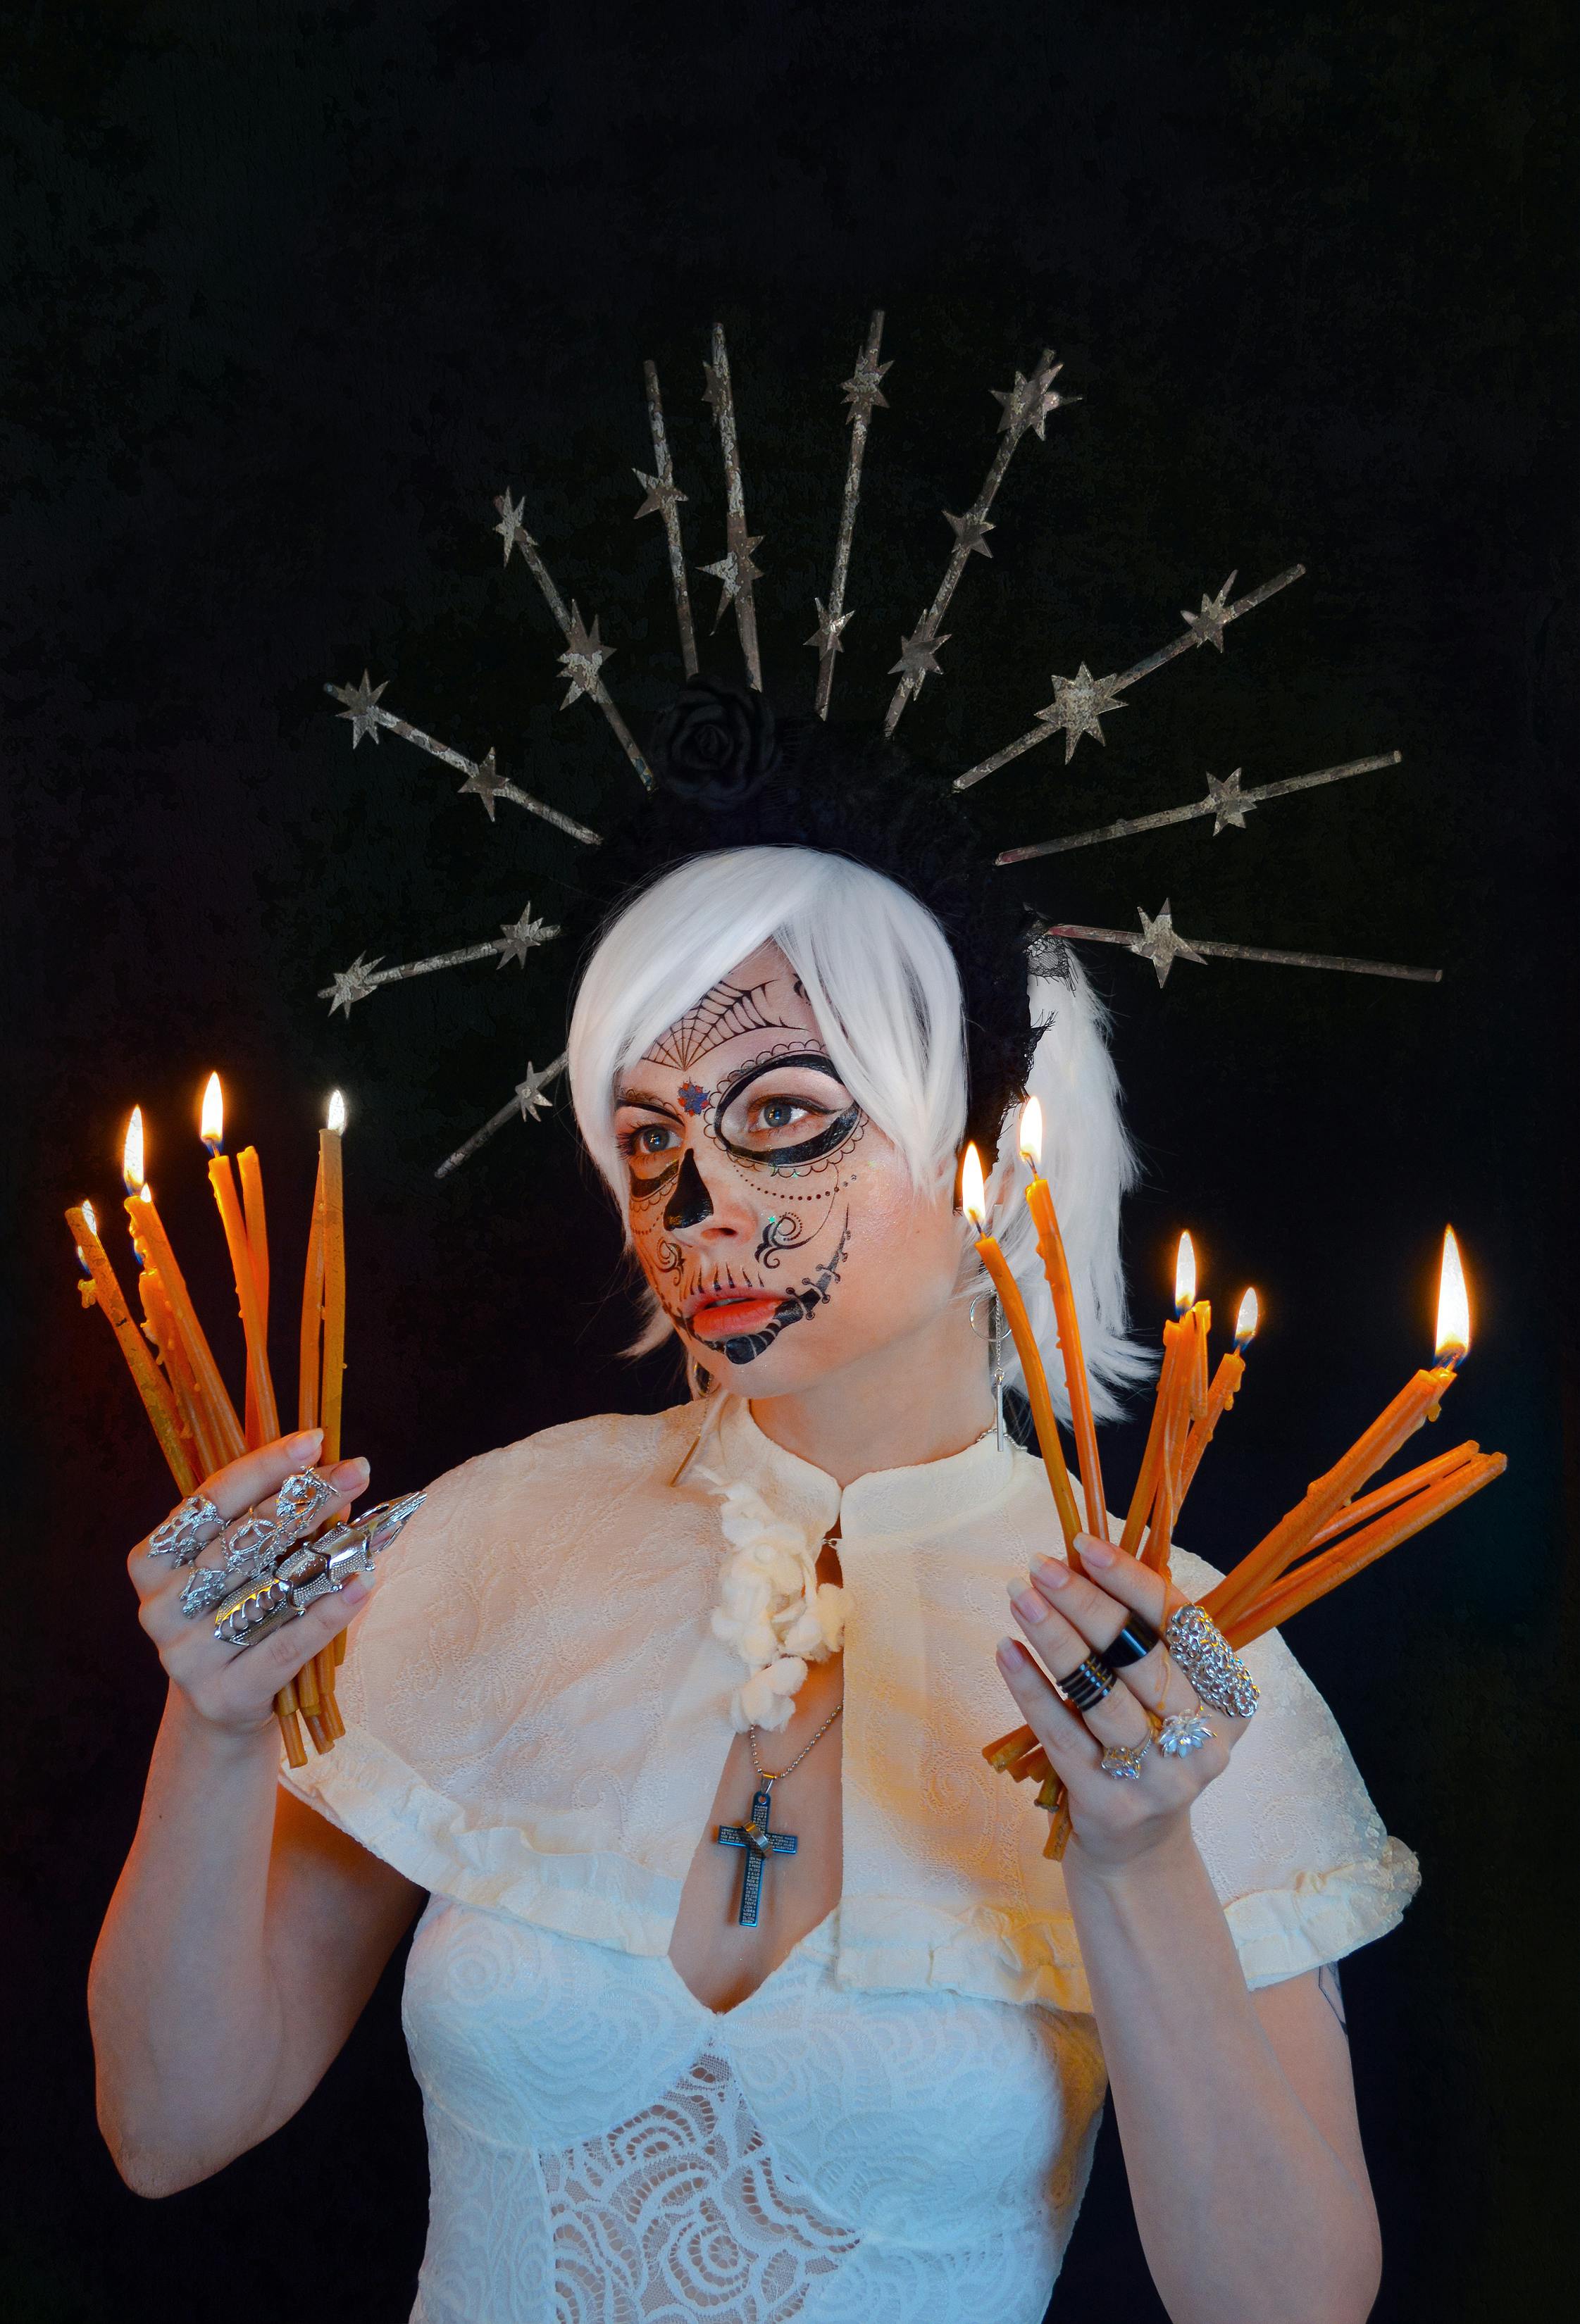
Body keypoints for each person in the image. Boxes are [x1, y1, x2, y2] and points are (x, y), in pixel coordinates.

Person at [89, 692, 1416, 2323]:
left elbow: (1286, 2308)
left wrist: (1136, 1858)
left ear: (981, 1152)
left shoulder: (1184, 1659)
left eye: (782, 1114)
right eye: (650, 1137)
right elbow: (169, 2125)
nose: (694, 1202)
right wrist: (213, 1735)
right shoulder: (498, 1543)